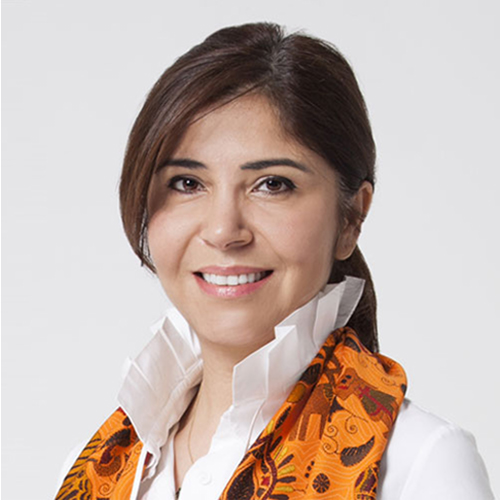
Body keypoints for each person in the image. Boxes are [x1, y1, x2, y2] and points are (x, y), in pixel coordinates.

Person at [55, 23, 494, 500]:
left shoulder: (418, 464)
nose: (223, 230)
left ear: (351, 217)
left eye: (273, 184)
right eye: (187, 183)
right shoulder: (93, 467)